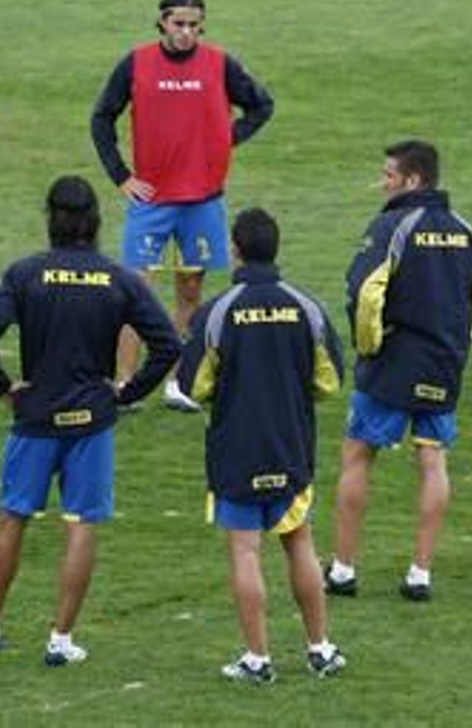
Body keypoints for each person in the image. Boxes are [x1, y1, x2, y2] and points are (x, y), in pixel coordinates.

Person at [0, 177, 179, 665]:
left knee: (14, 517)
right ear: (95, 220)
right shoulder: (119, 279)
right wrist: (125, 393)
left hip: (35, 417)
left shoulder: (25, 274)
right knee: (81, 524)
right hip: (91, 420)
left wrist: (1, 385)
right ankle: (61, 638)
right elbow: (168, 346)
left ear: (50, 218)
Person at [176, 208, 345, 683]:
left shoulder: (219, 310)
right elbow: (329, 380)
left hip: (236, 448)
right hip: (291, 445)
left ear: (235, 249)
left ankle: (257, 659)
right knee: (301, 546)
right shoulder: (304, 306)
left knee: (246, 552)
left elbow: (193, 386)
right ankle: (321, 649)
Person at [90, 0, 274, 412]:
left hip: (203, 202)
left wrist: (227, 141)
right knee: (135, 291)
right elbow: (102, 118)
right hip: (151, 202)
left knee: (190, 292)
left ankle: (177, 382)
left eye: (194, 25)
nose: (186, 32)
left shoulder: (220, 64)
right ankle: (124, 384)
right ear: (162, 23)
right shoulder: (135, 64)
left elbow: (261, 105)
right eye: (178, 24)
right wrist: (121, 176)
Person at [326, 141, 472, 603]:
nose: (384, 183)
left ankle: (343, 570)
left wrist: (368, 348)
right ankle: (420, 573)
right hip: (445, 361)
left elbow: (364, 292)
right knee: (433, 460)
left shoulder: (392, 226)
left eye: (390, 175)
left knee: (358, 455)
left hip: (393, 361)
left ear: (413, 180)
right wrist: (459, 353)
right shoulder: (466, 231)